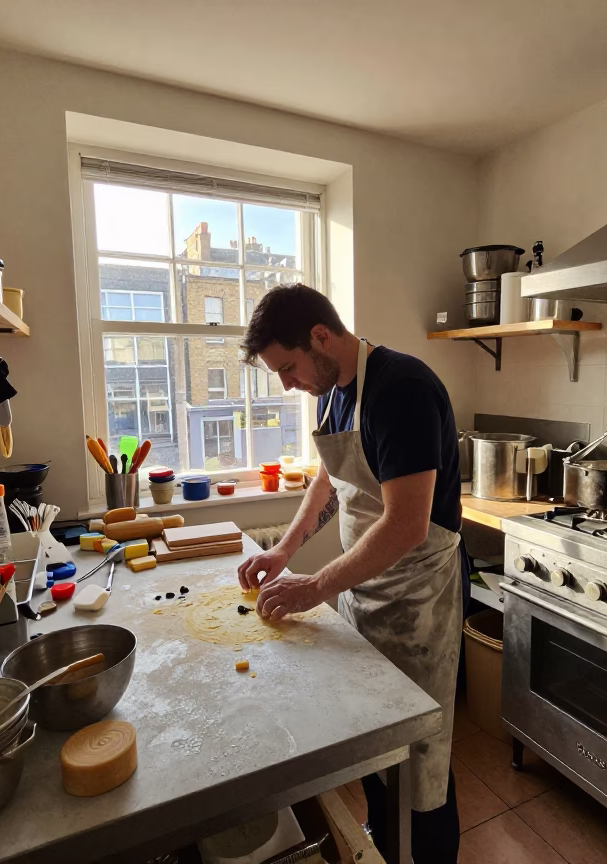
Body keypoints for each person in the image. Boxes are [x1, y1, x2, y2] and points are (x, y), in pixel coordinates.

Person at [237, 284, 464, 863]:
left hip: (417, 605)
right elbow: (331, 479)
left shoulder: (401, 390)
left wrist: (315, 587)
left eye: (288, 368)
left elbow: (408, 525)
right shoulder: (333, 392)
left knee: (422, 760)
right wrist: (286, 550)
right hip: (361, 594)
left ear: (320, 336)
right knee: (374, 747)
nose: (288, 384)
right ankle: (387, 848)